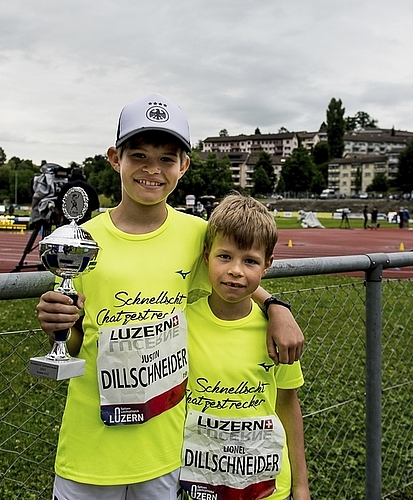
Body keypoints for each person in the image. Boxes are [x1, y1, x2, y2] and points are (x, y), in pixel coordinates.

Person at [35, 93, 304, 500]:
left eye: (166, 159)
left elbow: (233, 275)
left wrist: (276, 306)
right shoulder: (81, 240)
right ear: (114, 158)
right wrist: (59, 325)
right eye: (139, 155)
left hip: (164, 452)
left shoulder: (196, 234)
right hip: (90, 446)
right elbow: (74, 340)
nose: (152, 169)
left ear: (183, 166)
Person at [180, 193, 310, 500]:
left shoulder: (278, 333)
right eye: (225, 257)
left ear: (267, 265)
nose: (236, 270)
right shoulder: (181, 325)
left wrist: (301, 487)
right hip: (200, 484)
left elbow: (288, 406)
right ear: (206, 256)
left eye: (250, 261)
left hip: (266, 488)